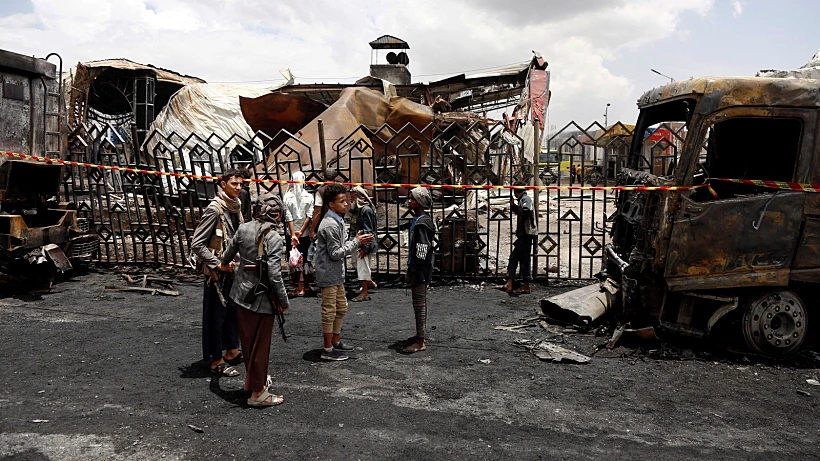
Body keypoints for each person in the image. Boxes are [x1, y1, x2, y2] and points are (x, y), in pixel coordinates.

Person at [221, 193, 290, 407]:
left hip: (241, 294)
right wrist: (284, 300)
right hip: (263, 299)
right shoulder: (274, 238)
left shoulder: (243, 229)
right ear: (276, 214)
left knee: (249, 342)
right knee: (261, 345)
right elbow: (275, 275)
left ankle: (253, 382)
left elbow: (226, 256)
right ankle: (258, 393)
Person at [190, 169, 244, 376]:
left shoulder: (235, 207)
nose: (238, 188)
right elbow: (197, 243)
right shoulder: (215, 209)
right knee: (216, 316)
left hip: (234, 271)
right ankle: (216, 360)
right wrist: (218, 263)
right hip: (218, 275)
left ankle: (232, 350)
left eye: (240, 184)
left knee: (233, 313)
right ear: (223, 184)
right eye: (234, 184)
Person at [313, 183, 374, 361]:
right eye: (341, 201)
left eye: (345, 200)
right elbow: (335, 253)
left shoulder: (337, 220)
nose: (346, 204)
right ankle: (327, 349)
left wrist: (356, 240)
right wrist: (356, 242)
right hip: (329, 274)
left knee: (341, 307)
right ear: (331, 204)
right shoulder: (330, 225)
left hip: (336, 274)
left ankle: (335, 341)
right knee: (330, 310)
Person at [403, 187, 436, 354]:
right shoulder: (420, 220)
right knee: (419, 303)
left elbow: (422, 248)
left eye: (412, 199)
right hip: (420, 268)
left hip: (420, 270)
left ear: (420, 202)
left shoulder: (422, 223)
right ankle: (419, 335)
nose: (409, 201)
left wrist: (414, 268)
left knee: (419, 304)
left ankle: (420, 341)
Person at [283, 171, 315, 296]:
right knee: (305, 257)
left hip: (292, 234)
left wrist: (293, 235)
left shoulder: (287, 197)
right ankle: (306, 285)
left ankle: (299, 287)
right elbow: (309, 216)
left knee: (295, 258)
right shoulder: (309, 197)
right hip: (305, 233)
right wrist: (301, 231)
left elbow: (288, 217)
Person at [502, 182, 538, 295]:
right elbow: (521, 211)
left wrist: (521, 221)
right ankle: (509, 283)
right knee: (514, 257)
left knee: (524, 259)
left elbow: (526, 210)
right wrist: (513, 206)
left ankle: (526, 286)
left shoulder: (526, 199)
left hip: (526, 234)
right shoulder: (522, 200)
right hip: (523, 234)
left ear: (516, 191)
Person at [349, 186, 377, 302]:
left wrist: (364, 247)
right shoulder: (358, 210)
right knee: (355, 262)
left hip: (364, 243)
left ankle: (364, 293)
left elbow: (368, 230)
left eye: (352, 195)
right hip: (359, 242)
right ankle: (369, 282)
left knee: (362, 267)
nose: (350, 198)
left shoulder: (366, 210)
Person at [309, 168, 340, 242]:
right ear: (335, 178)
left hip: (324, 225)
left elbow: (318, 212)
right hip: (338, 223)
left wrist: (312, 230)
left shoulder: (320, 191)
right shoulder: (340, 189)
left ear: (323, 177)